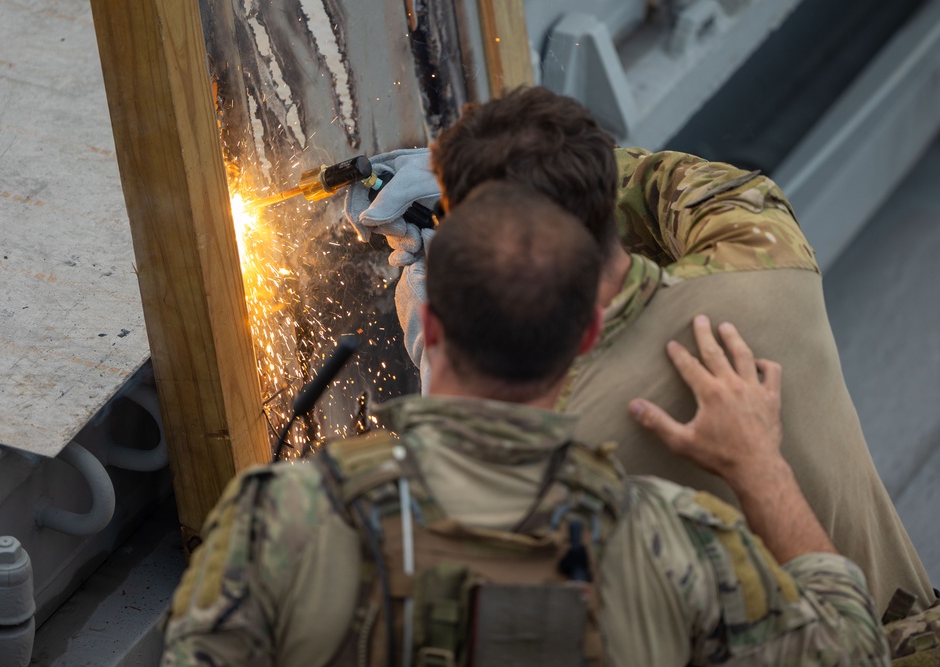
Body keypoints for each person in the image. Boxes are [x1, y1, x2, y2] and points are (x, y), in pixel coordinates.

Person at [162, 183, 887, 666]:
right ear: (585, 335)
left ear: (430, 325)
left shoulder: (274, 520)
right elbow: (851, 650)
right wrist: (763, 468)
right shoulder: (678, 540)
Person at [343, 86, 936, 616]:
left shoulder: (562, 447)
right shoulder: (771, 263)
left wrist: (443, 345)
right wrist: (529, 182)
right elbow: (685, 186)